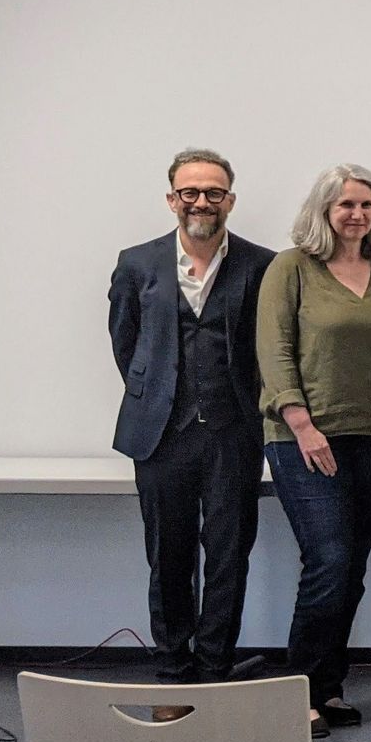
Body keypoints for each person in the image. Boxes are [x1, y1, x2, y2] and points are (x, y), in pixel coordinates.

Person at [109, 149, 275, 686]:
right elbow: (125, 342)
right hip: (159, 435)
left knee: (229, 557)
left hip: (234, 434)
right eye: (190, 192)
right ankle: (173, 669)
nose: (201, 202)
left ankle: (215, 666)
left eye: (213, 192)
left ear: (230, 199)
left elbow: (268, 348)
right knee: (168, 557)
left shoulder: (261, 264)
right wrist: (156, 393)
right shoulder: (137, 263)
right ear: (172, 199)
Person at [255, 164, 371, 737]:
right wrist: (300, 421)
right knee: (329, 562)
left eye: (367, 205)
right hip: (305, 437)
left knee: (353, 568)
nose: (357, 215)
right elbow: (273, 351)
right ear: (324, 209)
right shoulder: (290, 268)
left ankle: (329, 688)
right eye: (346, 204)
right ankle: (298, 693)